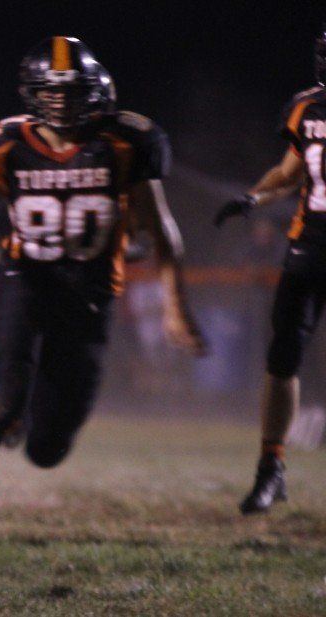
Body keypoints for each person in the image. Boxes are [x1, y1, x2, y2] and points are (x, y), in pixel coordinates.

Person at [0, 36, 206, 541]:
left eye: (72, 92)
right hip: (25, 281)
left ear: (96, 91)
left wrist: (176, 307)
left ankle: (25, 422)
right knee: (2, 398)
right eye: (51, 92)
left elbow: (162, 230)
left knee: (47, 449)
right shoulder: (13, 145)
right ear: (33, 93)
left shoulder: (124, 145)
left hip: (90, 295)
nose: (62, 102)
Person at [214, 28, 326, 514]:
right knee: (282, 356)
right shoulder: (308, 107)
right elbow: (289, 172)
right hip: (312, 241)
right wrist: (254, 197)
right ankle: (271, 468)